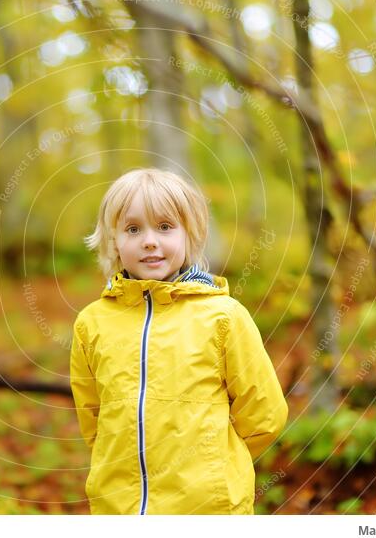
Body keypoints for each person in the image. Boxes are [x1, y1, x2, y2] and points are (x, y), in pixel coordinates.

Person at [69, 167, 288, 515]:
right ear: (113, 241)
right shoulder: (92, 324)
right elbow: (93, 419)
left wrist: (216, 464)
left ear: (191, 234)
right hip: (118, 509)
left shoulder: (223, 317)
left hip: (207, 510)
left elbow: (264, 415)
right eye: (132, 228)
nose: (150, 240)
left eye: (165, 227)